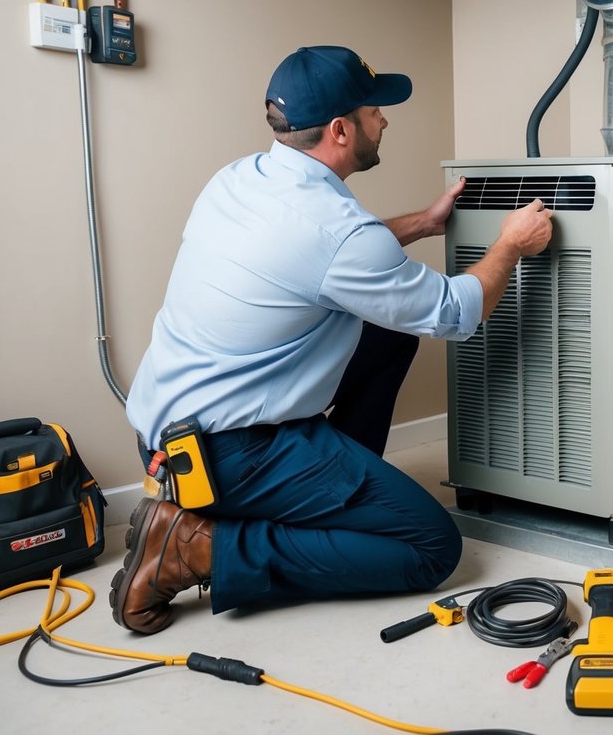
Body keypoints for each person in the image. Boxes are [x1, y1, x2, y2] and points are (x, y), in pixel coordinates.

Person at [111, 45, 553, 634]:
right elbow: (453, 313)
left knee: (390, 338)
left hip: (164, 434)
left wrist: (423, 222)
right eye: (376, 111)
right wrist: (513, 245)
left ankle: (340, 497)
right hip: (228, 456)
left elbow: (325, 259)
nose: (385, 120)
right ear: (342, 129)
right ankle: (197, 547)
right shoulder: (335, 232)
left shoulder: (241, 179)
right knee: (431, 549)